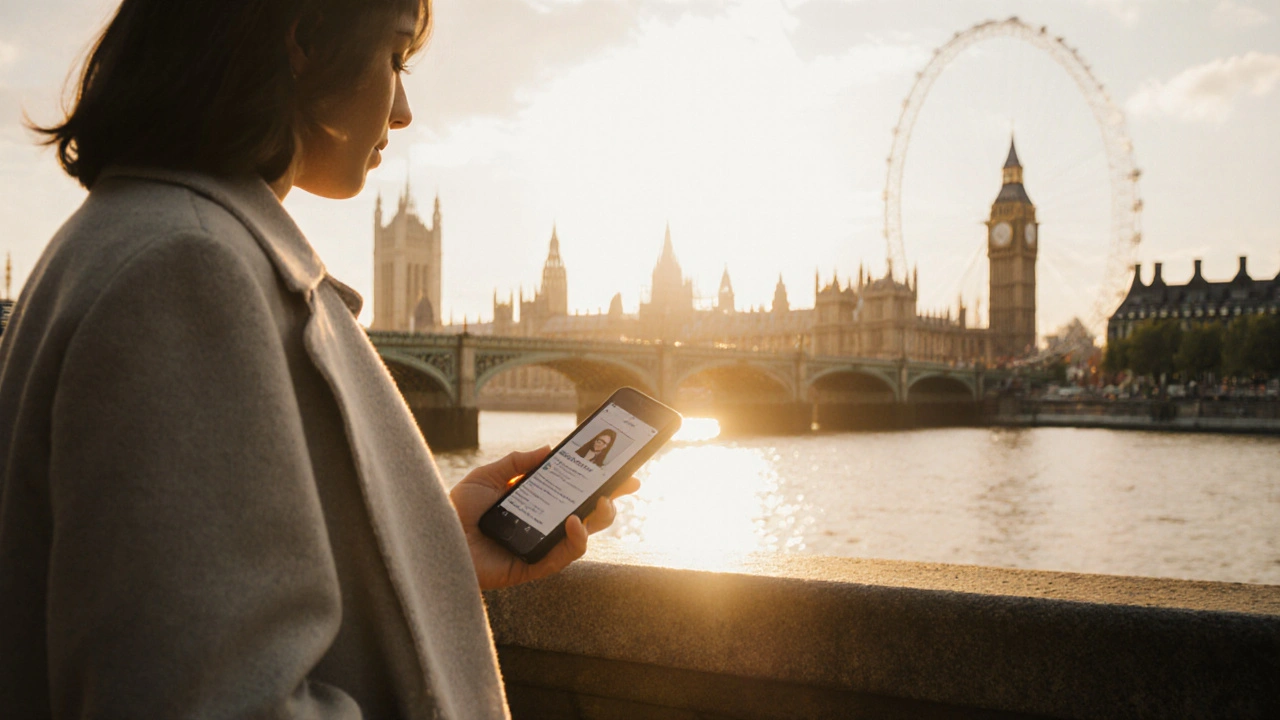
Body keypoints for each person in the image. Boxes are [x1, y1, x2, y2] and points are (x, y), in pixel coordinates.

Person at [0, 0, 636, 717]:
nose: (403, 110)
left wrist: (429, 546)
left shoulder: (147, 237)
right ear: (303, 40)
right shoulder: (188, 272)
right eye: (394, 57)